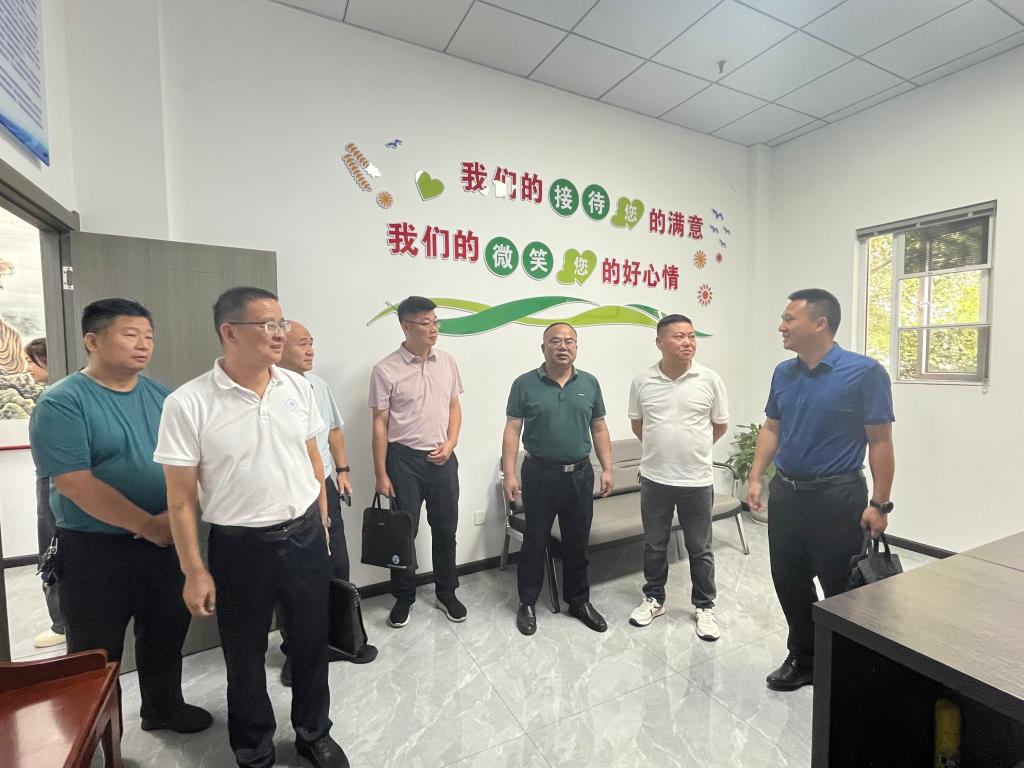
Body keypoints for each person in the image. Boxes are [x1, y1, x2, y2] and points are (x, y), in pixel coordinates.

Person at [156, 287, 347, 768]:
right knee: (244, 655)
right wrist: (194, 570)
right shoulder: (188, 403)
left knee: (310, 644)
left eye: (282, 323)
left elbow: (312, 458)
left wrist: (322, 519)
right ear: (229, 332)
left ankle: (314, 733)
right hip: (239, 548)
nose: (280, 333)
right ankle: (254, 747)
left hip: (304, 535)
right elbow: (180, 500)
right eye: (269, 325)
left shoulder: (297, 388)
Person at [28, 299, 212, 734]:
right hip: (95, 550)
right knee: (96, 653)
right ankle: (98, 740)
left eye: (149, 336)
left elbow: (192, 463)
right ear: (92, 341)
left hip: (165, 542)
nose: (143, 344)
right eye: (130, 335)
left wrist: (176, 518)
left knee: (166, 631)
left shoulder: (163, 397)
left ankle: (163, 708)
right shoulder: (63, 402)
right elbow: (75, 483)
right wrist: (149, 525)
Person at [747, 288, 894, 692]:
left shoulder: (865, 372)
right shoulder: (783, 372)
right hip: (787, 494)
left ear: (820, 323)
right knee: (788, 580)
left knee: (842, 586)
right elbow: (772, 427)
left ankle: (849, 663)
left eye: (788, 319)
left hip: (837, 497)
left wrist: (879, 503)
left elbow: (880, 441)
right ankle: (805, 657)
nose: (781, 326)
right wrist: (756, 476)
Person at [277, 320, 377, 685]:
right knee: (295, 576)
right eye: (302, 343)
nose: (310, 350)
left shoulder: (317, 385)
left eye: (311, 342)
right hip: (290, 495)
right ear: (279, 346)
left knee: (337, 564)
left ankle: (341, 639)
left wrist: (344, 471)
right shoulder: (270, 389)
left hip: (325, 488)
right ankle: (296, 652)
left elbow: (334, 431)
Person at [502, 322, 613, 636]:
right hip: (539, 474)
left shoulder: (589, 382)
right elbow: (512, 430)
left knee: (577, 543)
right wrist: (509, 474)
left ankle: (579, 601)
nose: (563, 346)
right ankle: (527, 603)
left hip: (579, 475)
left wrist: (607, 468)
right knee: (535, 542)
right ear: (543, 347)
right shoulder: (524, 384)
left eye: (569, 341)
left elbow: (599, 427)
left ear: (576, 347)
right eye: (555, 341)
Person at [627, 314, 729, 640]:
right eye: (679, 336)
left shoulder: (710, 379)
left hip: (696, 480)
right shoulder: (642, 381)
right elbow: (638, 424)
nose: (687, 342)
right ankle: (654, 599)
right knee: (655, 545)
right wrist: (662, 451)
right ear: (659, 342)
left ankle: (704, 607)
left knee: (700, 548)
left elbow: (719, 425)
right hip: (655, 479)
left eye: (691, 336)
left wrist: (692, 450)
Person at [369, 296, 465, 629]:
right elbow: (379, 423)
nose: (434, 329)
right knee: (403, 534)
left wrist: (451, 444)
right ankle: (404, 597)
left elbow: (454, 407)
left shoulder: (447, 361)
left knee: (446, 529)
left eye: (436, 322)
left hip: (443, 458)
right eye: (426, 323)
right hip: (403, 461)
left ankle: (447, 592)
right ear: (406, 326)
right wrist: (381, 473)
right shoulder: (385, 369)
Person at [25, 337, 66, 648]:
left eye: (32, 361)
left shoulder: (60, 400)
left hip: (56, 482)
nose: (27, 367)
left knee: (55, 547)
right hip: (48, 478)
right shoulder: (49, 398)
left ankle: (62, 624)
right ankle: (60, 621)